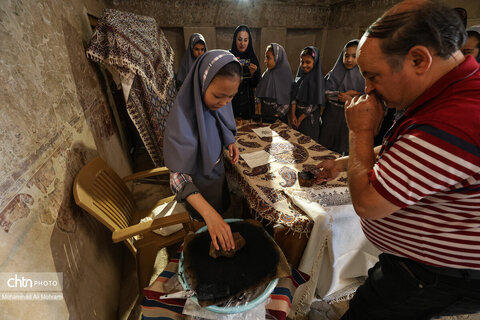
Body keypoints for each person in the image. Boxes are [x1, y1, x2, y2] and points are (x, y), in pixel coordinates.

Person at [315, 1, 480, 319]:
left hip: (434, 274)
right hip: (417, 263)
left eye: (373, 76)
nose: (368, 88)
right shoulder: (450, 92)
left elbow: (367, 202)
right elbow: (406, 149)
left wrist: (360, 131)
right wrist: (345, 162)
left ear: (419, 59)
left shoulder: (453, 119)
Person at [163, 50, 242, 252]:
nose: (225, 103)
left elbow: (221, 121)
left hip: (215, 178)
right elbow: (178, 178)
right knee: (203, 235)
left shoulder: (219, 104)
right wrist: (208, 213)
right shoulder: (182, 121)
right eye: (219, 96)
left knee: (219, 212)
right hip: (196, 195)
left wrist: (229, 140)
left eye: (231, 97)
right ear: (201, 85)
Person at [318, 40, 364, 155]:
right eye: (346, 56)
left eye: (354, 56)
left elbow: (368, 98)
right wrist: (341, 96)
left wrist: (350, 99)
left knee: (342, 147)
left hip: (349, 117)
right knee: (324, 145)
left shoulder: (365, 77)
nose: (349, 60)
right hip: (331, 115)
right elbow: (325, 91)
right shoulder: (334, 73)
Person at [291, 46, 325, 142]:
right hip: (297, 116)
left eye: (308, 62)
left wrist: (300, 119)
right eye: (302, 62)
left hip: (309, 120)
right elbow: (294, 97)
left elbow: (314, 105)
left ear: (315, 62)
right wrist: (293, 115)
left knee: (308, 144)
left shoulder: (318, 80)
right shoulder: (300, 77)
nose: (304, 65)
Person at [255, 43, 293, 124]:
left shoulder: (286, 77)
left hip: (278, 118)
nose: (265, 61)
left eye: (268, 58)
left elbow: (287, 102)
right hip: (264, 116)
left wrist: (275, 116)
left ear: (277, 58)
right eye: (266, 57)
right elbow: (259, 95)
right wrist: (259, 112)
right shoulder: (266, 74)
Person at [229, 25, 261, 120]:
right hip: (231, 102)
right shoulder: (229, 56)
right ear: (235, 40)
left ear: (249, 41)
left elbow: (256, 83)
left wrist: (252, 74)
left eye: (245, 40)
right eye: (240, 39)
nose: (242, 43)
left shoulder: (253, 58)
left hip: (248, 103)